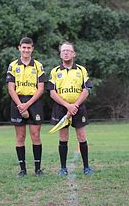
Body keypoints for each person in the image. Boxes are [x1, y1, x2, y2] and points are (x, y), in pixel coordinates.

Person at [47, 41, 93, 176]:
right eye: (63, 51)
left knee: (82, 136)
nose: (66, 53)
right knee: (63, 137)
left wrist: (75, 105)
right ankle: (63, 168)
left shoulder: (81, 70)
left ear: (74, 54)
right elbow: (52, 92)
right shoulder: (55, 71)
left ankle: (86, 167)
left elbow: (86, 90)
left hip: (79, 107)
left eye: (68, 51)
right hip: (62, 108)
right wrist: (68, 106)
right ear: (60, 55)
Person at [6, 37, 46, 177]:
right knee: (20, 137)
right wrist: (20, 105)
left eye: (29, 48)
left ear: (32, 49)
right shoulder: (13, 66)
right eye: (24, 47)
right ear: (19, 48)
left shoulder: (38, 66)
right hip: (18, 101)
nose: (26, 50)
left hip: (33, 102)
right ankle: (22, 170)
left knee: (35, 135)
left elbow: (40, 88)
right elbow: (11, 88)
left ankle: (38, 169)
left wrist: (27, 105)